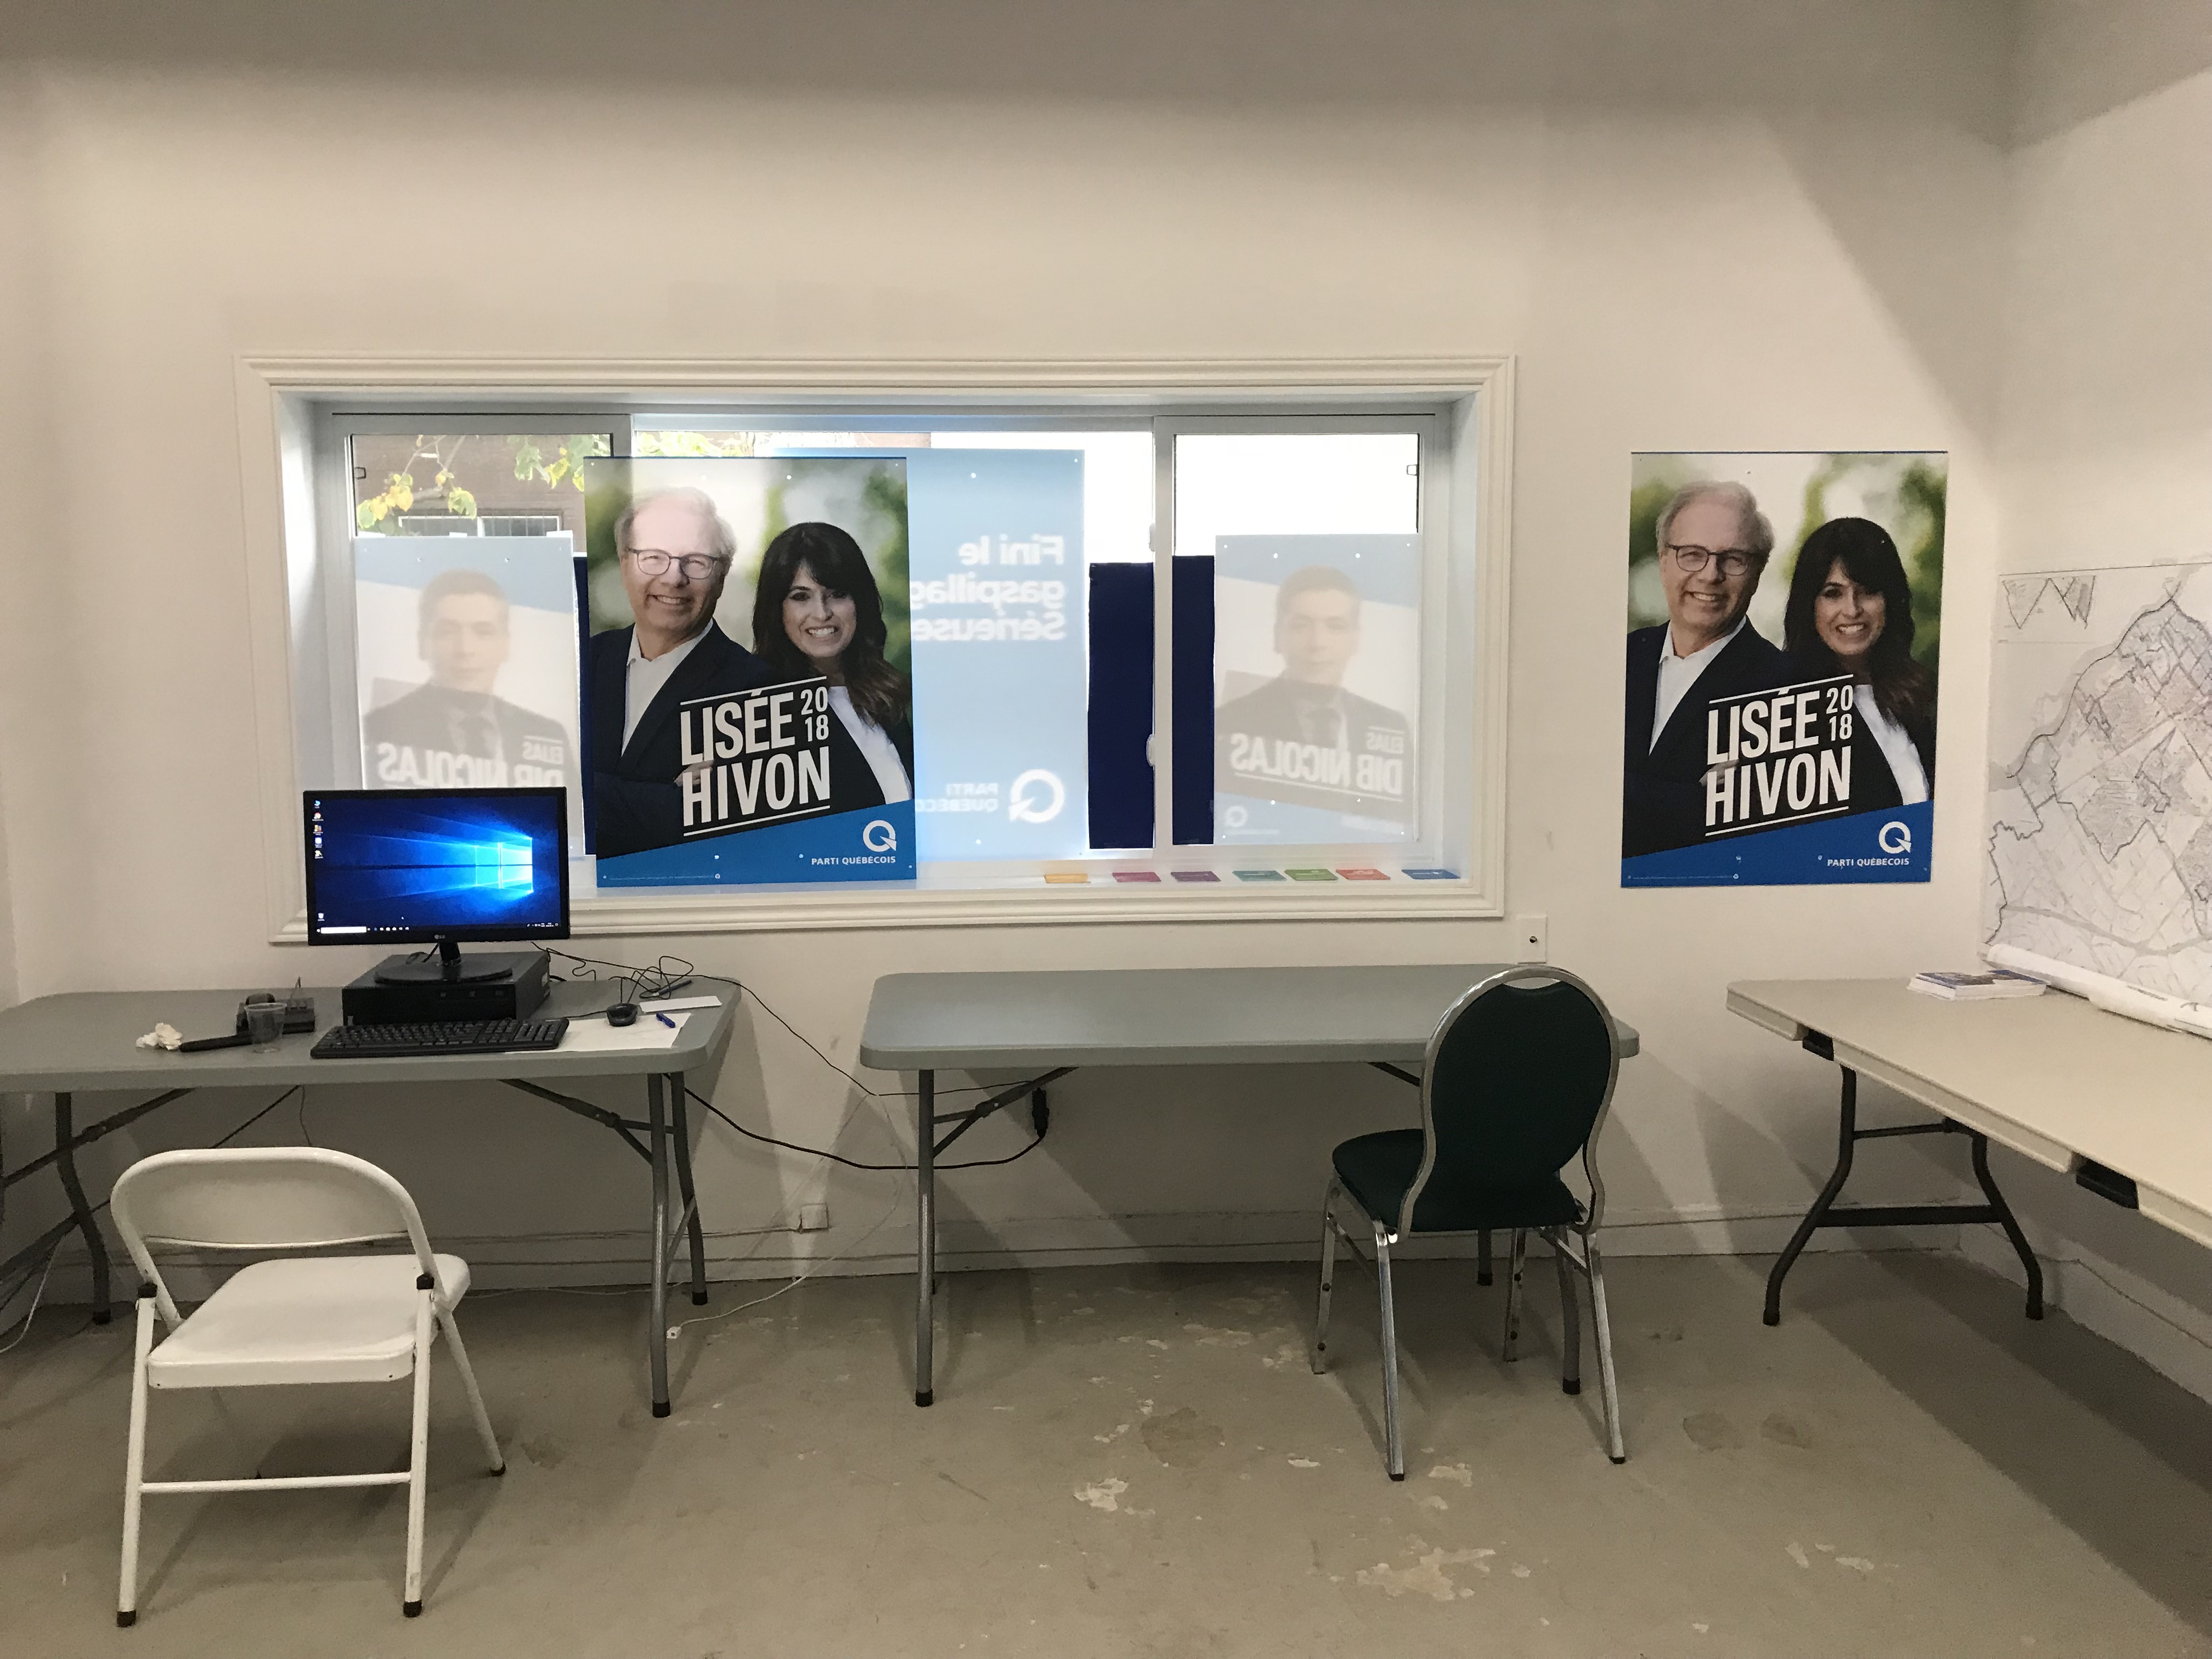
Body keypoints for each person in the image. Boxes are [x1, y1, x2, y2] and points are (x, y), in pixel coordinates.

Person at [586, 487, 775, 857]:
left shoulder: (758, 689)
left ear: (722, 574)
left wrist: (588, 788)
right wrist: (663, 801)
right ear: (625, 564)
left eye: (697, 561)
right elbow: (544, 786)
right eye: (654, 558)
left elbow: (705, 827)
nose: (674, 578)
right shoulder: (583, 663)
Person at [1623, 481, 1793, 857]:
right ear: (1663, 560)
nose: (1710, 575)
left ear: (1758, 572)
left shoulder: (1785, 687)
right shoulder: (1619, 658)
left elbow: (1735, 835)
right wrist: (1688, 800)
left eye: (1733, 559)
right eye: (1692, 554)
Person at [1214, 564, 1413, 821]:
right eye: (1301, 626)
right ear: (1278, 636)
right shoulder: (1231, 722)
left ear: (1355, 640)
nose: (1318, 643)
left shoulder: (1390, 726)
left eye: (1336, 626)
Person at [749, 521, 913, 816]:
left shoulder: (886, 700)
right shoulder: (757, 713)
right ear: (777, 610)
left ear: (859, 602)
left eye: (838, 594)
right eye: (801, 597)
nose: (822, 613)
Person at [363, 568, 572, 789]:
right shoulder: (378, 730)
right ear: (423, 643)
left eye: (483, 632)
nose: (465, 649)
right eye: (447, 632)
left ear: (506, 645)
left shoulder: (547, 735)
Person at [1782, 516, 1934, 811]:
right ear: (1809, 605)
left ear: (1890, 600)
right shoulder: (1783, 710)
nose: (1852, 610)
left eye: (1867, 591)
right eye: (1833, 594)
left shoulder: (1918, 702)